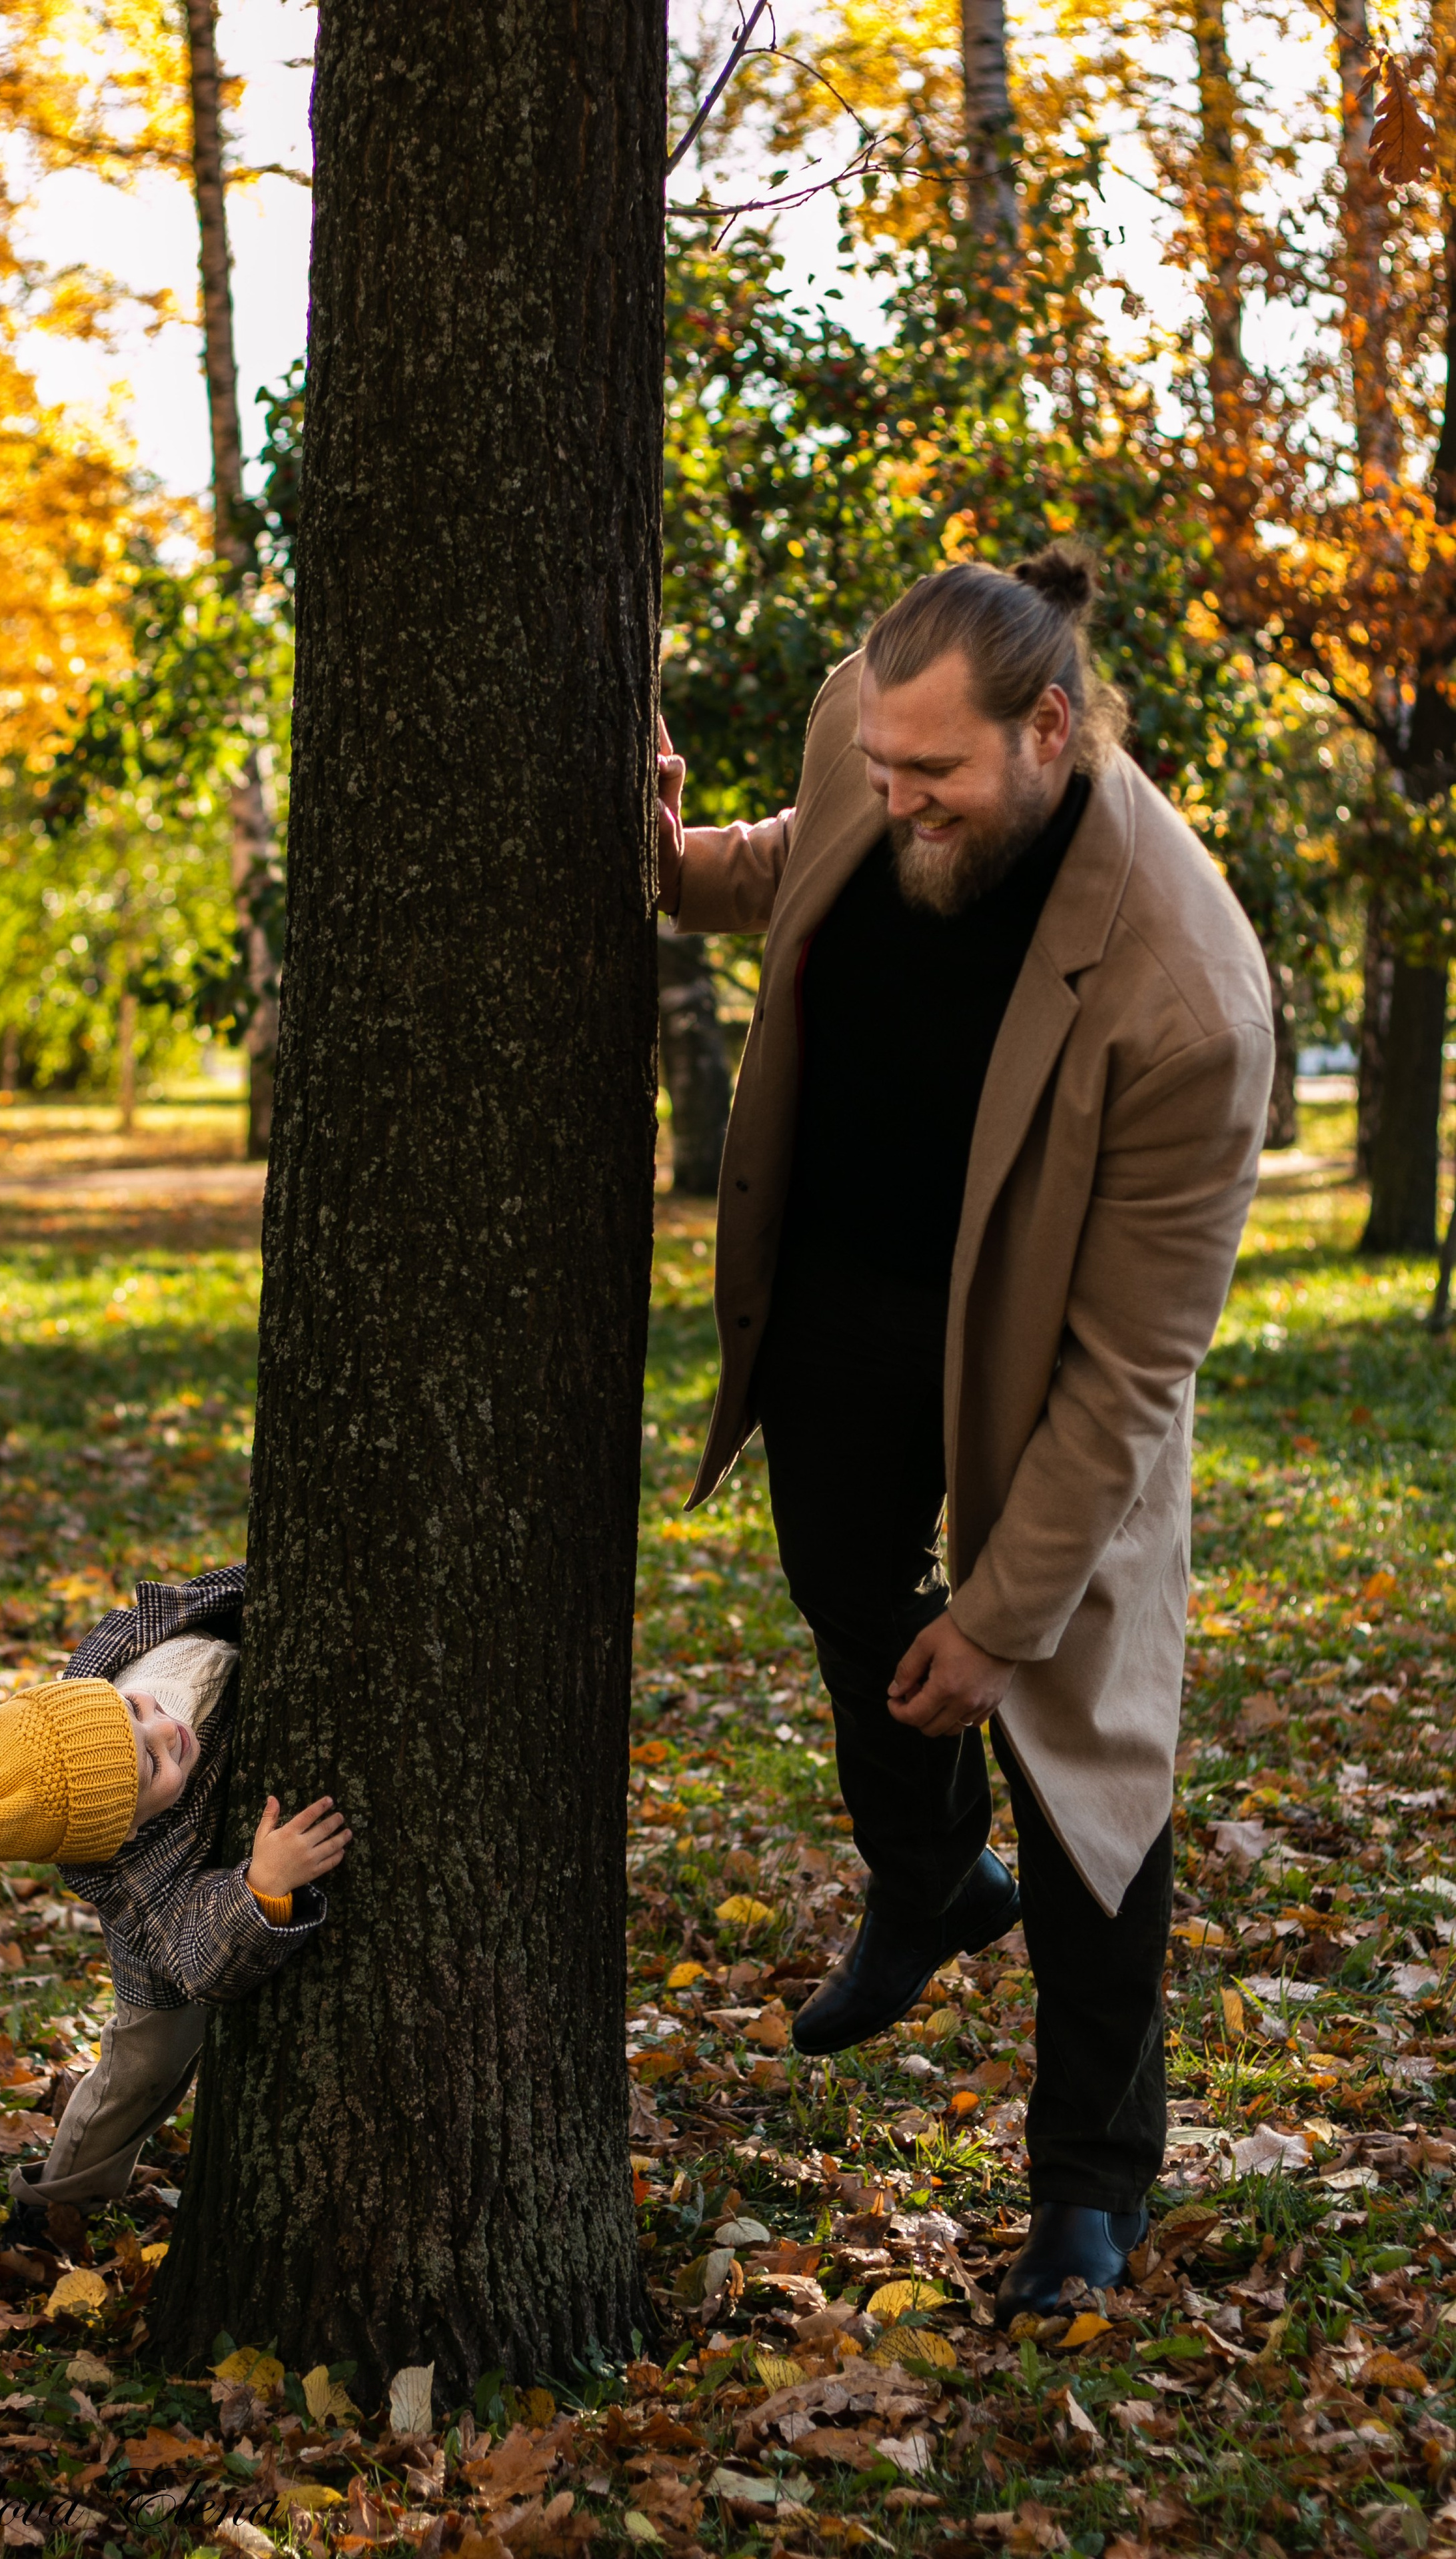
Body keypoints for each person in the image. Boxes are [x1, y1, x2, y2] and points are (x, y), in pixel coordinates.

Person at [656, 546, 1273, 2317]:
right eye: (884, 760)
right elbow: (806, 862)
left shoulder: (1188, 995)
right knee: (849, 1588)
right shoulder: (883, 712)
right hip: (852, 1286)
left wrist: (1002, 1617)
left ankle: (1090, 2185)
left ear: (1050, 731)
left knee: (1085, 1763)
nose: (895, 790)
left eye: (935, 776)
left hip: (1051, 1356)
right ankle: (925, 1877)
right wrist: (678, 865)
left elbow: (1133, 1371)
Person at [0, 1564, 350, 2242]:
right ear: (126, 1828)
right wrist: (261, 1888)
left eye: (135, 1712)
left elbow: (195, 1600)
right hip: (166, 1939)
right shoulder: (131, 1865)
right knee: (143, 2067)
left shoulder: (123, 1666)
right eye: (153, 1768)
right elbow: (195, 1950)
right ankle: (57, 2201)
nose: (165, 1732)